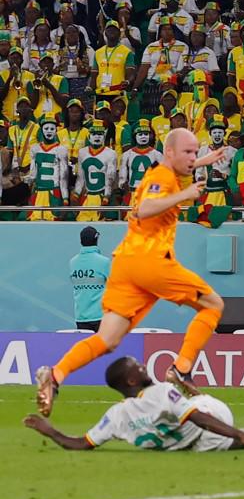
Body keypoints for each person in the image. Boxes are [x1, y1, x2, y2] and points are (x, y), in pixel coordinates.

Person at [34, 129, 226, 417]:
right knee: (213, 305)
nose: (192, 157)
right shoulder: (163, 177)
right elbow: (146, 208)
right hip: (151, 261)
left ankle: (55, 374)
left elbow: (172, 175)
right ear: (169, 152)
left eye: (195, 152)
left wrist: (201, 162)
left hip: (126, 265)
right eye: (188, 152)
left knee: (107, 339)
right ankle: (181, 368)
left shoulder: (164, 173)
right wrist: (186, 194)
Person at [23, 357, 244, 453]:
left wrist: (50, 431)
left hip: (206, 422)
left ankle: (190, 390)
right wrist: (240, 434)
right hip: (201, 433)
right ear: (131, 380)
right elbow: (199, 419)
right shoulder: (157, 393)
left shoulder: (116, 416)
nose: (143, 366)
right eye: (139, 366)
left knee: (196, 406)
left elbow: (80, 443)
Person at [69, 226, 110, 332]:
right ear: (96, 239)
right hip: (101, 316)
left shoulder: (73, 262)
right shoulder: (104, 262)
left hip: (80, 316)